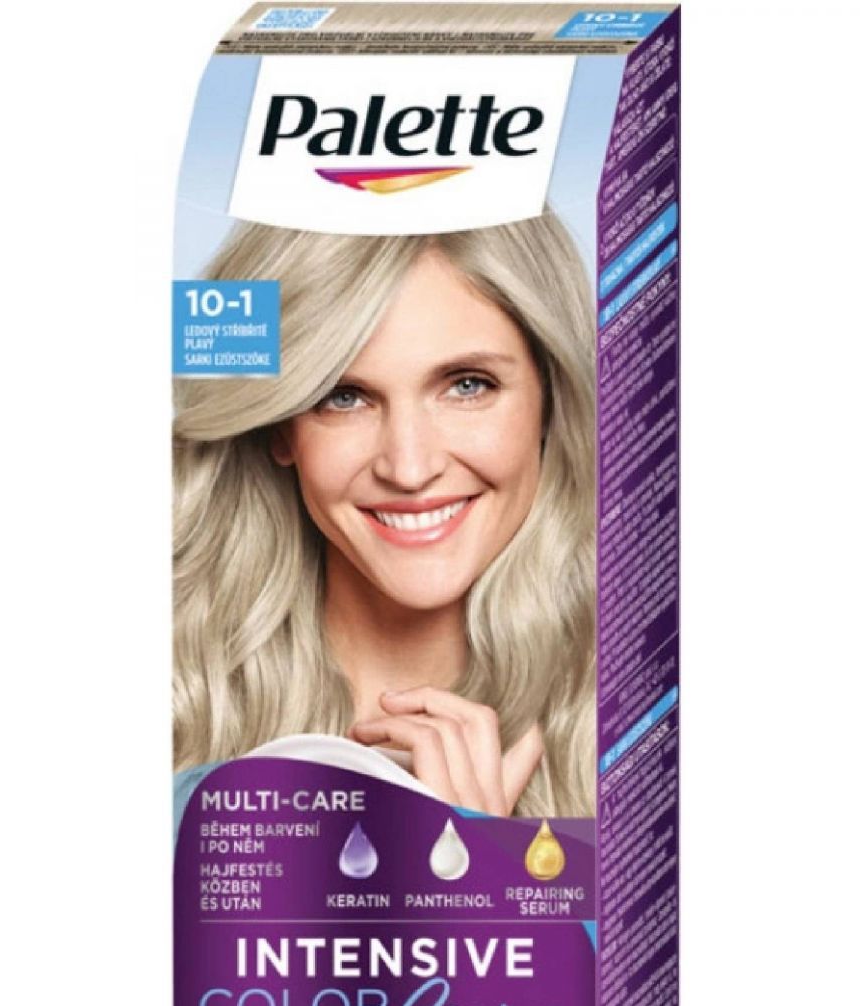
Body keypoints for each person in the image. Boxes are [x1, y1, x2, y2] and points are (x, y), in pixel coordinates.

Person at [174, 211, 595, 817]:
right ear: (279, 425)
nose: (409, 468)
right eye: (343, 397)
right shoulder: (173, 694)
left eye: (468, 385)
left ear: (550, 400)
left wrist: (477, 860)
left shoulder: (641, 712)